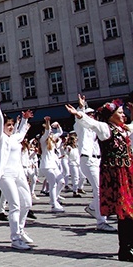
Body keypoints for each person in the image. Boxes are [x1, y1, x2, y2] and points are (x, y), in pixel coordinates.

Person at [66, 99, 133, 261]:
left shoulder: (123, 129)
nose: (123, 115)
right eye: (120, 112)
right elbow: (92, 124)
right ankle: (125, 248)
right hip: (115, 174)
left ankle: (128, 246)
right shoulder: (106, 128)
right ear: (111, 116)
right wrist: (79, 114)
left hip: (127, 171)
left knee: (129, 211)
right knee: (124, 211)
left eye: (124, 112)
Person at [0, 90, 34, 250]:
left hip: (18, 173)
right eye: (9, 125)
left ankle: (20, 230)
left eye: (12, 125)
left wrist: (25, 120)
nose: (11, 127)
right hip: (5, 175)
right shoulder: (0, 138)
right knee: (14, 205)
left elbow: (21, 133)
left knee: (27, 203)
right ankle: (15, 239)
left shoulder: (14, 138)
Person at [72, 94, 116, 232]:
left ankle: (92, 207)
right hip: (88, 159)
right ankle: (101, 221)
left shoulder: (96, 128)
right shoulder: (81, 128)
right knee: (98, 190)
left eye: (93, 114)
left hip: (98, 159)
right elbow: (79, 120)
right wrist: (81, 107)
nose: (91, 116)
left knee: (102, 188)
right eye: (89, 114)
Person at [39, 117, 65, 213]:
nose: (51, 133)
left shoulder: (52, 139)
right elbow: (47, 132)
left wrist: (58, 126)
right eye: (49, 131)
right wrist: (47, 122)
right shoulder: (42, 140)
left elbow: (60, 132)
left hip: (53, 164)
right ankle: (54, 204)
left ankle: (54, 198)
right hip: (46, 165)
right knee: (53, 184)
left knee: (62, 182)